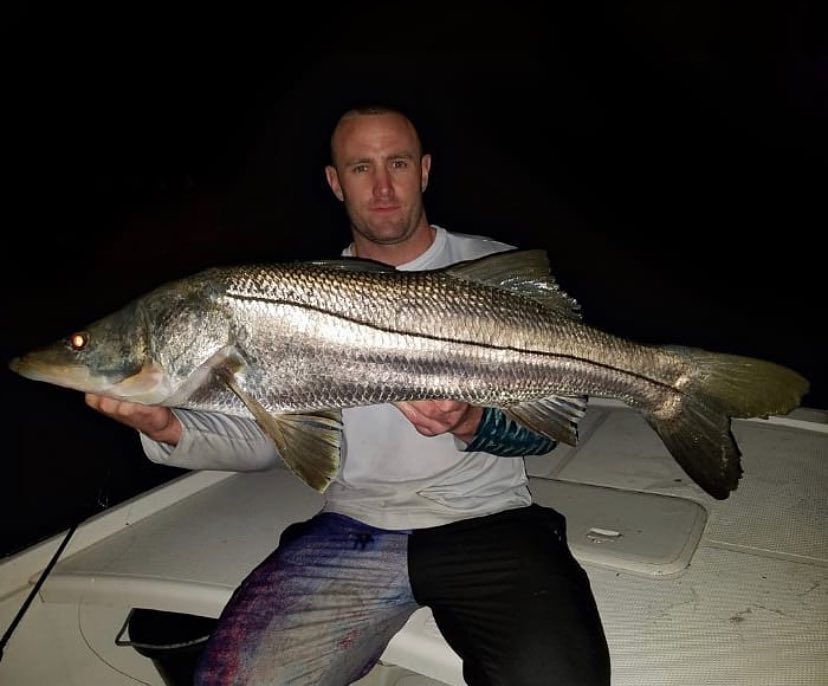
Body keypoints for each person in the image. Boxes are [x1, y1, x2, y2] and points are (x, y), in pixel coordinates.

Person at [86, 105, 610, 685]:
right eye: (361, 167)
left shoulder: (489, 267)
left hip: (487, 519)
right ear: (336, 182)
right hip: (353, 526)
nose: (383, 187)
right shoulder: (299, 298)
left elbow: (558, 419)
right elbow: (269, 442)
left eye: (398, 163)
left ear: (425, 171)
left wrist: (472, 421)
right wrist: (166, 428)